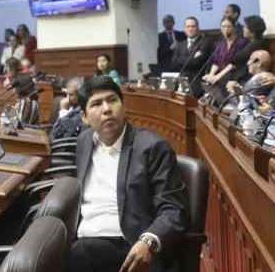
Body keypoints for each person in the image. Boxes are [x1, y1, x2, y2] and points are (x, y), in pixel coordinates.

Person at [67, 76, 189, 272]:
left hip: (129, 245)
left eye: (112, 100)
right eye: (96, 104)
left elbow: (174, 208)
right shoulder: (84, 141)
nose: (107, 109)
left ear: (124, 107)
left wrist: (148, 241)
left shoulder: (152, 147)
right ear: (84, 117)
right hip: (83, 241)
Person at [201, 17, 245, 90]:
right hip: (219, 77)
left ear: (234, 28)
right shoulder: (220, 44)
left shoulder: (241, 42)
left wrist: (217, 77)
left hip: (232, 77)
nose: (226, 29)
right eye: (223, 26)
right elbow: (216, 62)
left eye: (228, 26)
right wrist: (211, 76)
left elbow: (234, 64)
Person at [227, 15, 270, 86]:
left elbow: (234, 59)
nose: (243, 28)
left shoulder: (256, 44)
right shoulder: (253, 42)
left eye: (246, 27)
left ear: (253, 31)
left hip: (250, 79)